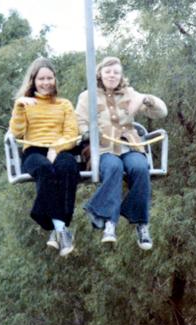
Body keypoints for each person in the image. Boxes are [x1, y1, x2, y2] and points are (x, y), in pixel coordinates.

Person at [75, 56, 168, 250]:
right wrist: (90, 134)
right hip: (103, 148)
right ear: (100, 73)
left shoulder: (129, 93)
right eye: (108, 71)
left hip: (129, 145)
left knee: (140, 168)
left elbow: (161, 113)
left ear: (121, 75)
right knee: (114, 167)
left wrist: (146, 99)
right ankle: (110, 222)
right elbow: (80, 123)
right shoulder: (88, 96)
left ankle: (141, 223)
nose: (112, 75)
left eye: (116, 72)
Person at [9, 57, 81, 257]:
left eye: (50, 78)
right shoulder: (25, 104)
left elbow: (72, 133)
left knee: (68, 168)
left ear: (55, 80)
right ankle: (61, 230)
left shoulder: (64, 104)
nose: (46, 82)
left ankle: (54, 229)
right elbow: (16, 133)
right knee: (44, 170)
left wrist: (56, 149)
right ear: (33, 81)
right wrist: (19, 107)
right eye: (41, 79)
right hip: (34, 150)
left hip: (60, 148)